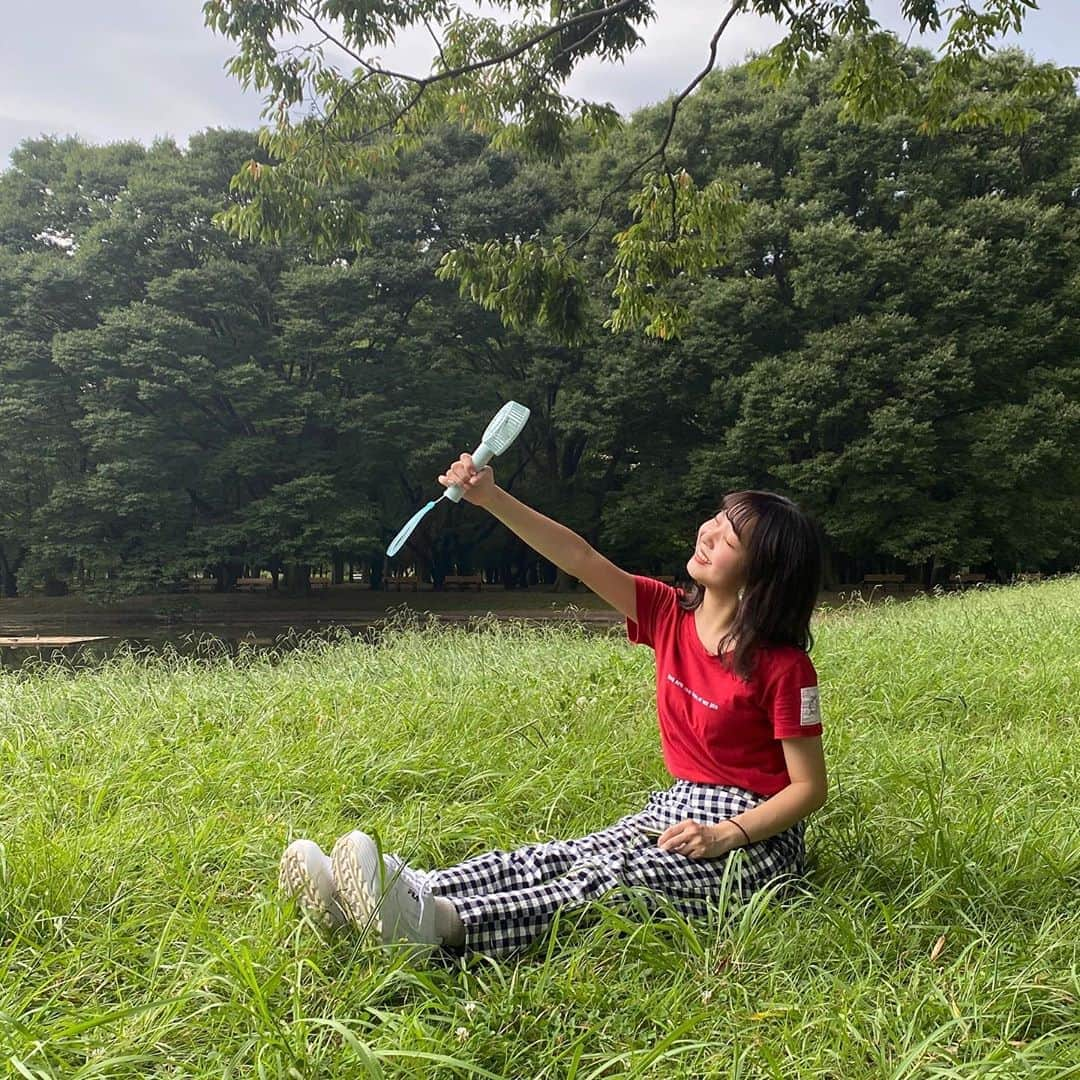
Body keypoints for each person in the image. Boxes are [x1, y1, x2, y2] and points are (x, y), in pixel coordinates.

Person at [279, 453, 828, 956]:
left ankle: (437, 925)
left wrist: (726, 834)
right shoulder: (668, 615)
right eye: (716, 518)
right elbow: (579, 556)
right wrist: (491, 497)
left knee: (611, 881)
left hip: (753, 840)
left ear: (763, 573)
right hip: (678, 805)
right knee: (556, 857)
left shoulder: (783, 668)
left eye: (729, 536)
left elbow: (809, 788)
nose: (707, 531)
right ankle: (393, 893)